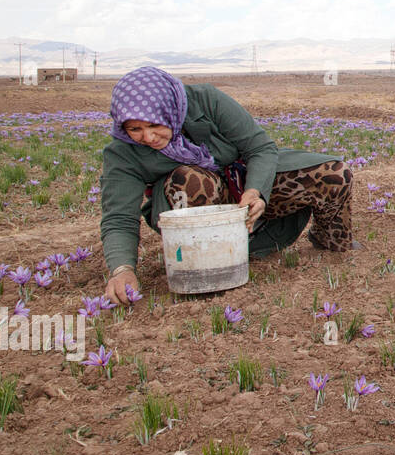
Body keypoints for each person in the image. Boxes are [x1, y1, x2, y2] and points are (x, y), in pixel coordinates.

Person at [99, 66, 355, 305]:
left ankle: (327, 239)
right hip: (195, 206)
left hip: (243, 184)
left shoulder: (205, 101)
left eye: (155, 124)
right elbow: (119, 217)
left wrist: (255, 192)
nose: (148, 137)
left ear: (170, 110)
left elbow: (260, 148)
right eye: (135, 128)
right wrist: (122, 269)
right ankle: (208, 263)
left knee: (334, 174)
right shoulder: (123, 152)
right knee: (189, 179)